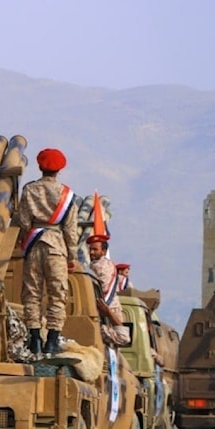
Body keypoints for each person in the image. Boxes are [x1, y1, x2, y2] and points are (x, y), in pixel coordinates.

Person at [16, 148, 78, 356]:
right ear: (60, 169)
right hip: (57, 248)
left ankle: (34, 338)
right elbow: (70, 230)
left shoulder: (29, 190)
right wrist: (72, 256)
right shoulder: (67, 195)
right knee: (57, 295)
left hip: (34, 245)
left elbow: (23, 221)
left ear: (40, 166)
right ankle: (52, 340)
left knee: (32, 293)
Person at [88, 236, 131, 346]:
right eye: (90, 249)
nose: (91, 252)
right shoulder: (97, 265)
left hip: (108, 309)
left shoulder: (102, 267)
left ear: (103, 251)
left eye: (95, 249)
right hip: (105, 309)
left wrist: (105, 311)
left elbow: (104, 291)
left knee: (116, 340)